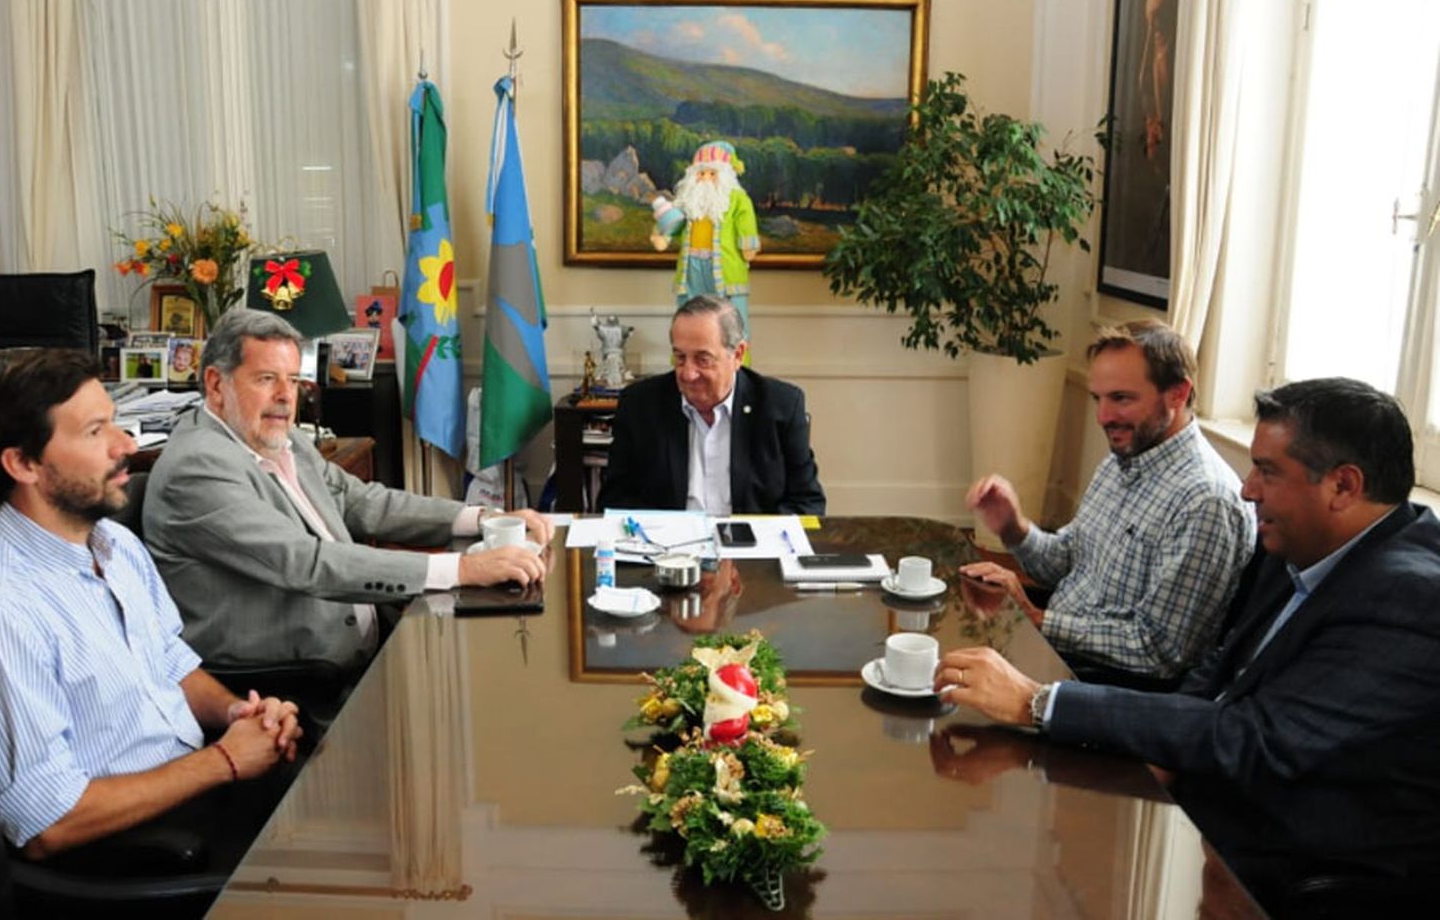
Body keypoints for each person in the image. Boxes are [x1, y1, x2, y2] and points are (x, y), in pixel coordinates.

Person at [940, 378, 1440, 908]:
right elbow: (1217, 675)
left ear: (1343, 486)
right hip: (1217, 796)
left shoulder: (1412, 600)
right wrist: (1152, 747)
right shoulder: (1302, 542)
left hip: (1305, 863)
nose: (1248, 489)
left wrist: (1038, 701)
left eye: (1267, 472)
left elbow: (1257, 739)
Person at [0, 348, 301, 858]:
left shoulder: (114, 544)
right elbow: (50, 822)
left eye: (116, 423)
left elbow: (171, 664)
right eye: (95, 432)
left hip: (203, 789)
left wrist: (241, 713)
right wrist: (225, 760)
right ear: (22, 463)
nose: (125, 444)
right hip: (136, 852)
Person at [143, 310, 549, 677]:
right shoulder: (196, 467)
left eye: (293, 380)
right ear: (216, 384)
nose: (287, 397)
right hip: (288, 678)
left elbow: (361, 501)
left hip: (361, 644)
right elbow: (305, 562)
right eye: (267, 379)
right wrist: (462, 570)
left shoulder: (280, 437)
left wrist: (480, 519)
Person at [964, 320, 1253, 685]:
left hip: (1102, 687)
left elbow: (1158, 651)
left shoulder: (1206, 501)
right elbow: (1068, 562)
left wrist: (1036, 619)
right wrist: (1013, 527)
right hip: (1058, 650)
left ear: (1178, 394)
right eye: (1097, 398)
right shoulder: (1123, 461)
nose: (1103, 417)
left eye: (1121, 398)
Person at [600, 294, 824, 516]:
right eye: (680, 357)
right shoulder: (640, 404)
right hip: (665, 547)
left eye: (703, 359)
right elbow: (614, 500)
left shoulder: (780, 405)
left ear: (737, 355)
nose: (688, 374)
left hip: (750, 547)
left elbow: (807, 502)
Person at [650, 140, 760, 350]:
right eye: (701, 174)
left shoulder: (737, 199)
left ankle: (738, 365)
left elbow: (745, 221)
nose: (706, 178)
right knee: (689, 312)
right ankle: (684, 355)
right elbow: (673, 219)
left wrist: (748, 245)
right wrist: (663, 236)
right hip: (691, 267)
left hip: (725, 269)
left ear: (725, 176)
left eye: (712, 173)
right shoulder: (686, 201)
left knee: (731, 317)